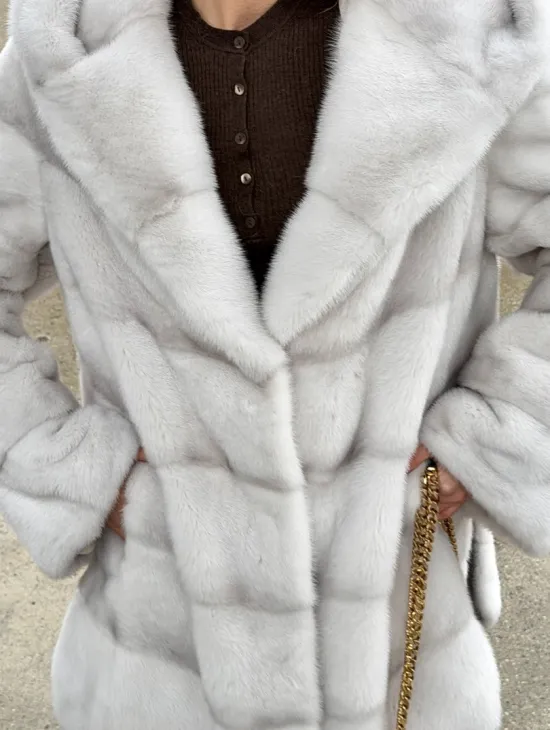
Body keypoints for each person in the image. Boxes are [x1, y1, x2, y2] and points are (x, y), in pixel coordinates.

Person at [1, 0, 549, 728]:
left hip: (397, 649)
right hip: (159, 659)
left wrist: (495, 438)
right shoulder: (64, 52)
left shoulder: (463, 33)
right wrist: (74, 470)